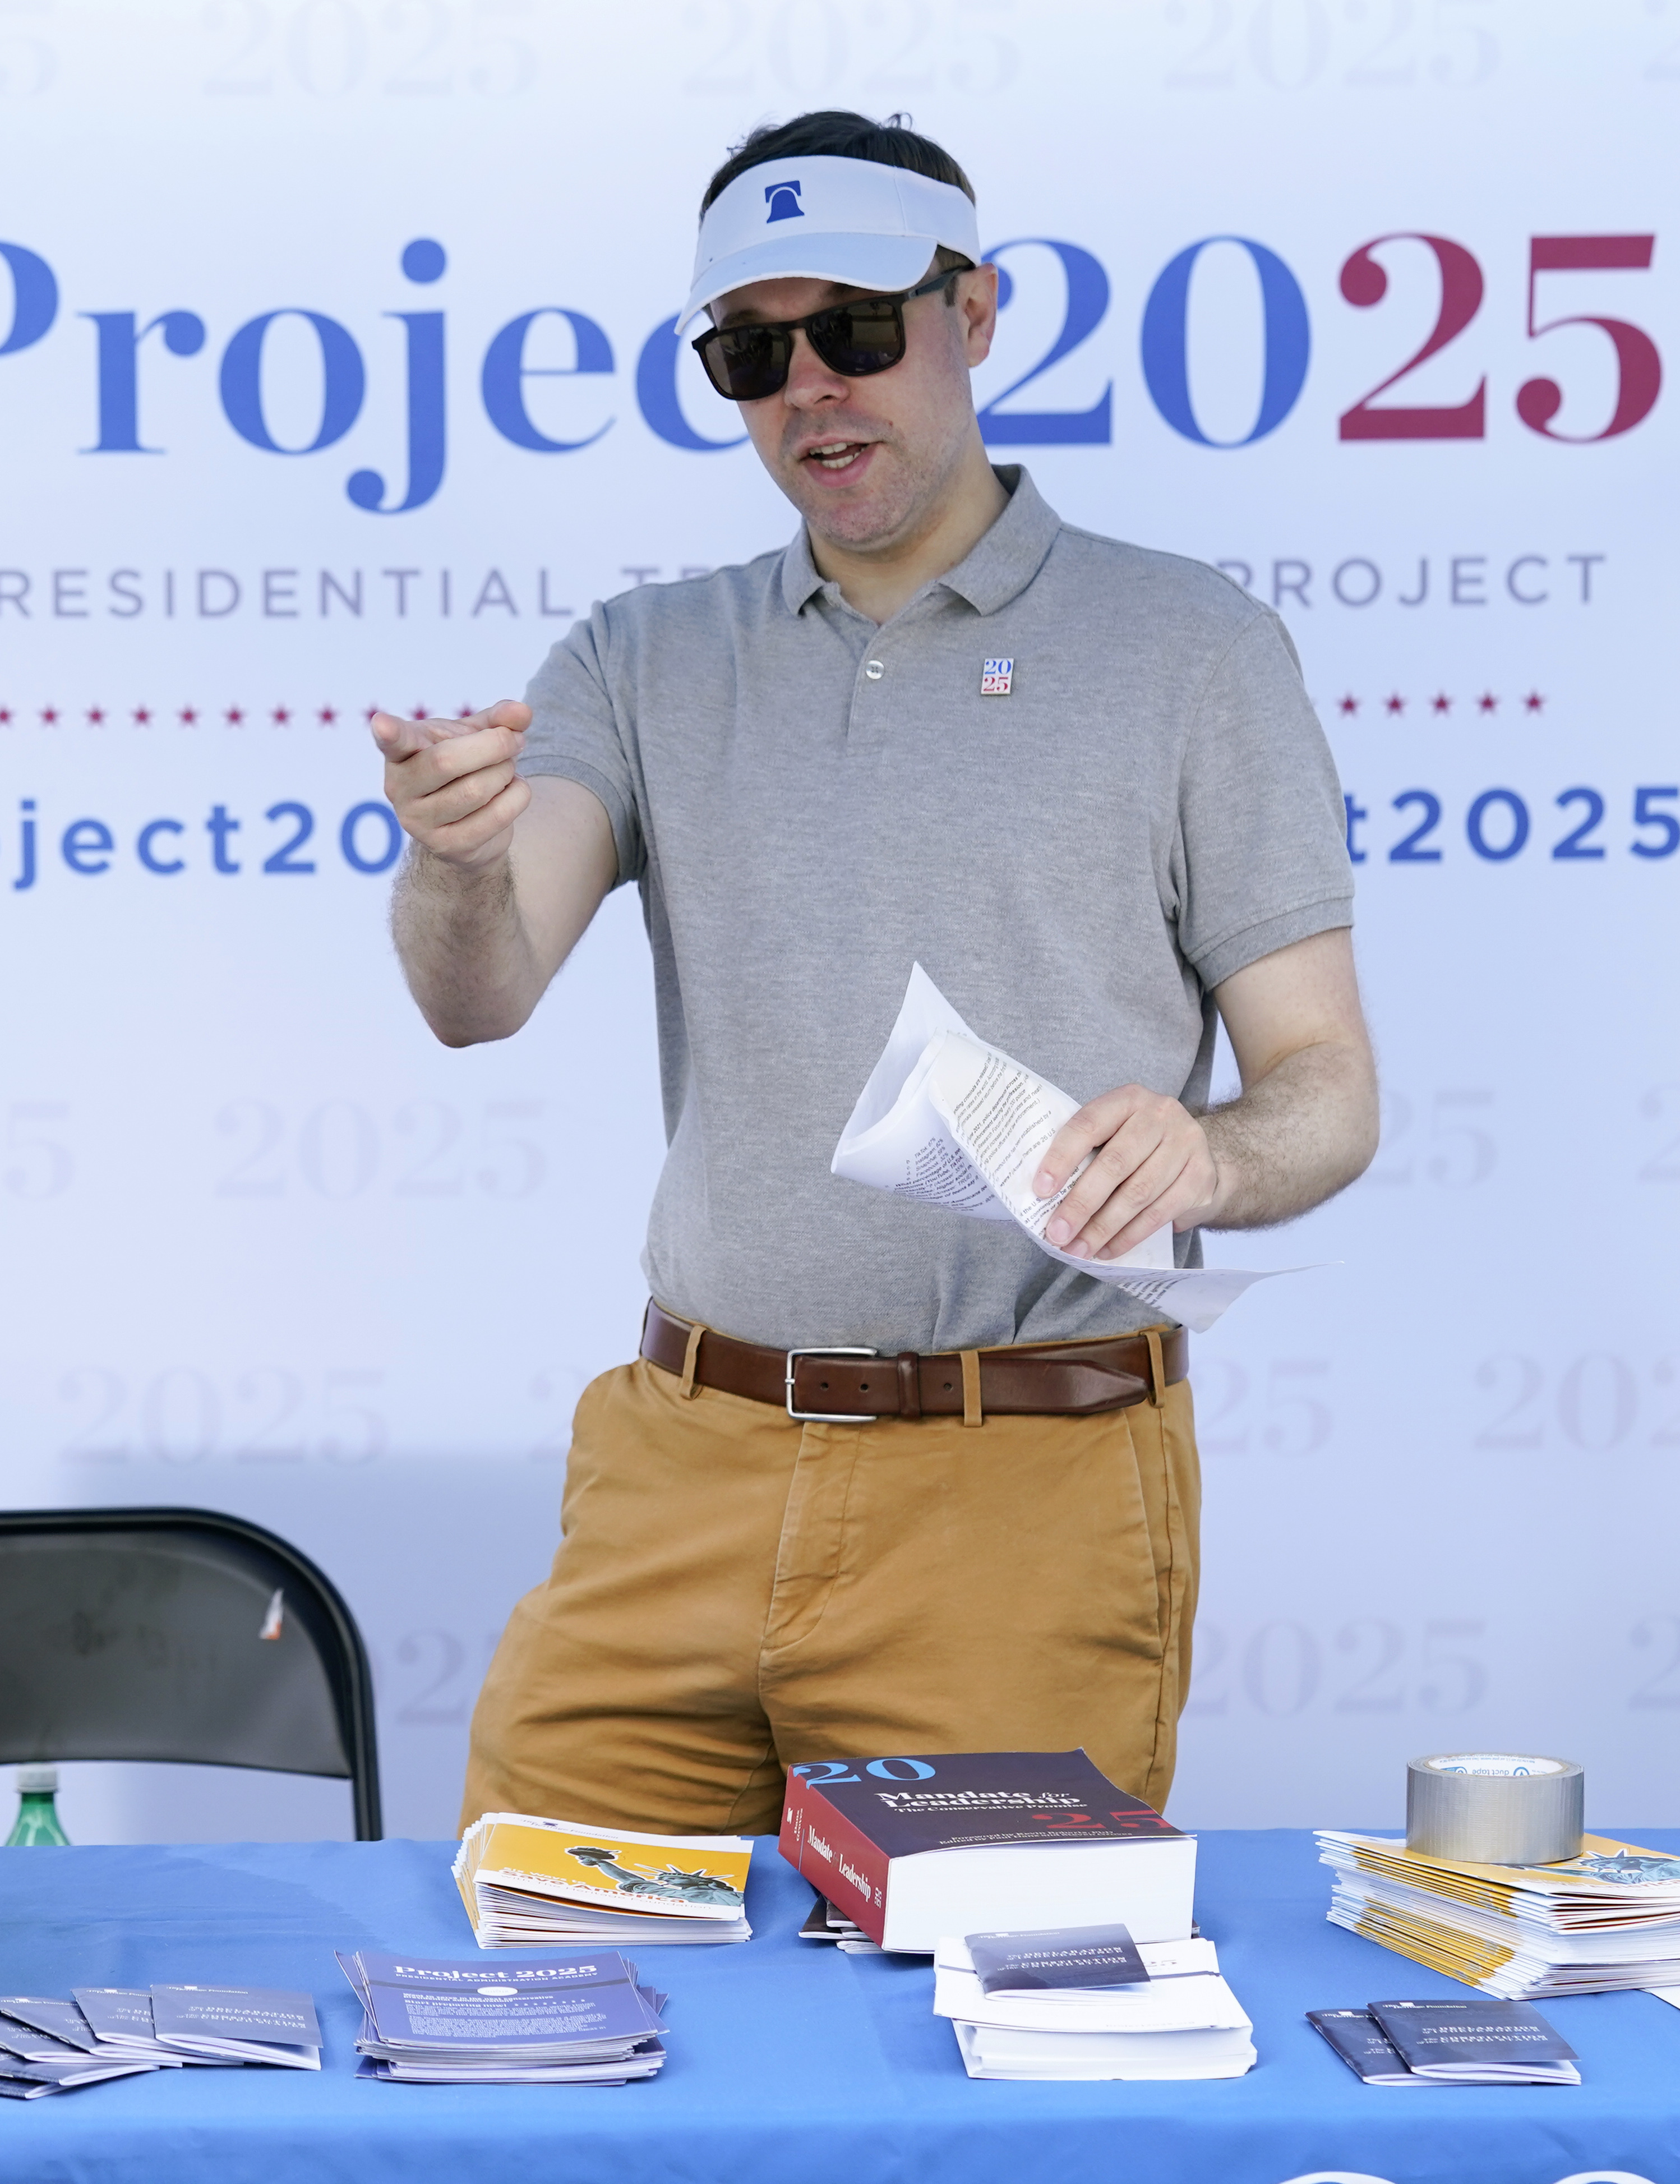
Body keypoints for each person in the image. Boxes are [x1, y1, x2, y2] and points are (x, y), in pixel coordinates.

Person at [370, 111, 1378, 1837]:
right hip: (682, 1464)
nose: (811, 391)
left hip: (1030, 1482)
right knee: (537, 1994)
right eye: (754, 353)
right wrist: (453, 863)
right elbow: (479, 992)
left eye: (855, 329)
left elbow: (1328, 1092)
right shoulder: (642, 655)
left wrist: (1211, 1155)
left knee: (995, 2045)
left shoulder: (1190, 650)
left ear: (973, 315)